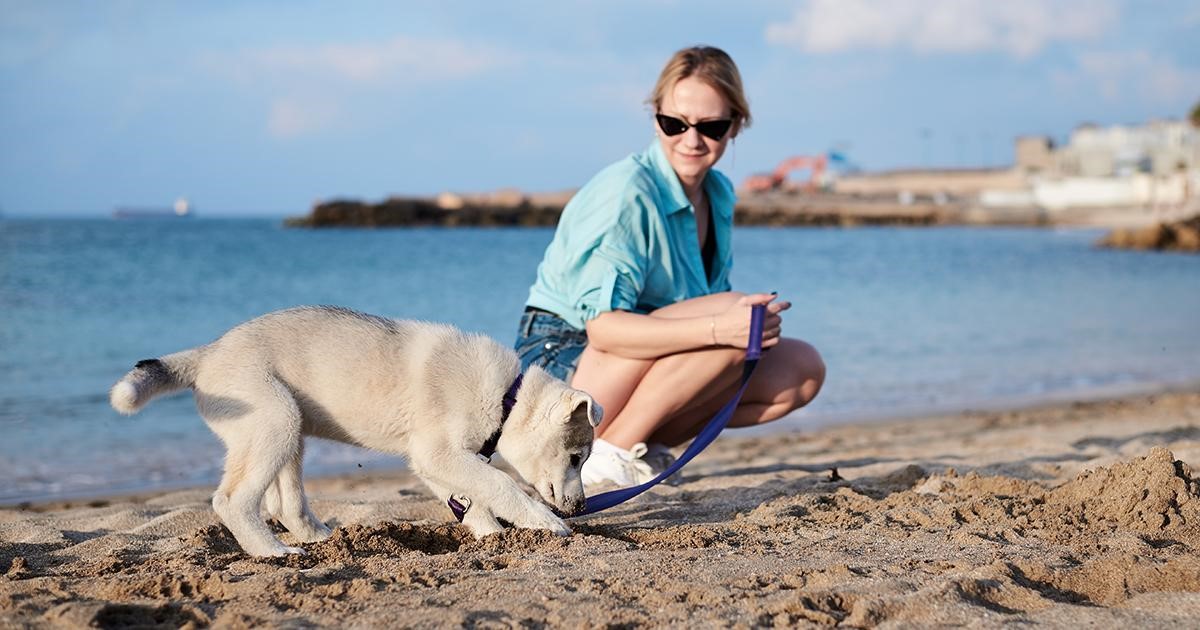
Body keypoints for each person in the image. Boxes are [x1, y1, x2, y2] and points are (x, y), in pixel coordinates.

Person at [514, 45, 825, 489]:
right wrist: (722, 330)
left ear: (736, 125)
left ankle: (639, 444)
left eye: (711, 126)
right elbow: (603, 329)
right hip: (560, 366)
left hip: (634, 368)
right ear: (655, 115)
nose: (691, 140)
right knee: (736, 317)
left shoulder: (717, 193)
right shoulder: (629, 192)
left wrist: (733, 329)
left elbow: (705, 322)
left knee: (802, 371)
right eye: (674, 124)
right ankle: (610, 451)